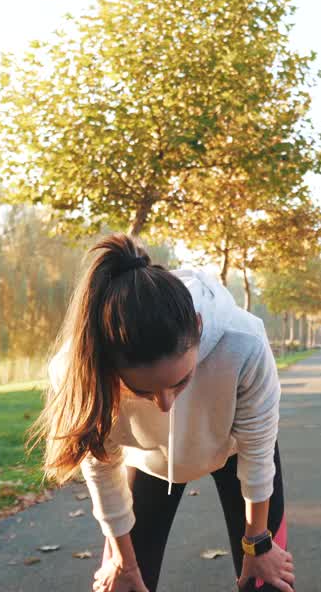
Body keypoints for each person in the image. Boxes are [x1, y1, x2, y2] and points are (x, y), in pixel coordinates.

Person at [32, 233, 294, 592]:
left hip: (234, 450)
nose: (165, 405)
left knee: (265, 580)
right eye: (142, 391)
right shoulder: (82, 374)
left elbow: (258, 450)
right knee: (124, 584)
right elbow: (102, 470)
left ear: (199, 328)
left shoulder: (243, 341)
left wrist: (258, 544)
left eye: (181, 381)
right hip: (149, 460)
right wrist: (123, 561)